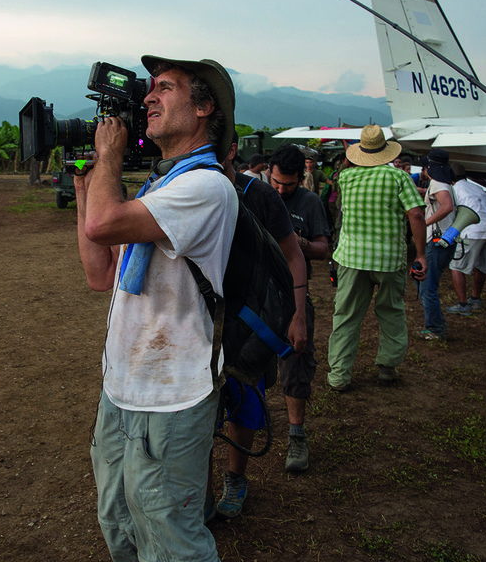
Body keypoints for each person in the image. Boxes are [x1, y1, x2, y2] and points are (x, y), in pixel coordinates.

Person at [74, 55, 237, 562]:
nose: (148, 98)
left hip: (171, 394)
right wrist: (86, 189)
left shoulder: (205, 187)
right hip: (123, 387)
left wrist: (108, 159)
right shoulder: (160, 187)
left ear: (204, 107)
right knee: (118, 520)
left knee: (171, 540)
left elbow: (104, 225)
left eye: (164, 88)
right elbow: (100, 273)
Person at [210, 136, 308, 520]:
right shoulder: (179, 188)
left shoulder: (260, 197)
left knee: (243, 399)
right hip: (198, 321)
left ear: (230, 149)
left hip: (248, 323)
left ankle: (235, 479)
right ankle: (198, 492)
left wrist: (298, 314)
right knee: (196, 410)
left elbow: (293, 255)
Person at [327, 125, 427, 390]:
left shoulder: (346, 178)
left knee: (346, 316)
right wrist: (421, 254)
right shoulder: (399, 178)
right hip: (389, 259)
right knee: (391, 311)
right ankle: (387, 367)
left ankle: (339, 375)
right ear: (386, 150)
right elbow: (416, 215)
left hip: (351, 257)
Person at [266, 143, 330, 473]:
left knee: (296, 361)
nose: (280, 189)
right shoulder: (259, 194)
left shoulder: (310, 202)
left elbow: (323, 248)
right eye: (275, 181)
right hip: (257, 292)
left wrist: (296, 241)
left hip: (294, 295)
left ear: (301, 178)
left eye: (287, 185)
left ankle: (296, 435)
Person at [445, 162, 486, 315]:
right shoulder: (477, 188)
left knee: (456, 266)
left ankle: (463, 304)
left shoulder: (454, 190)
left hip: (472, 230)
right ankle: (475, 298)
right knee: (482, 266)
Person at [418, 149, 456, 341]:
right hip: (444, 241)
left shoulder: (438, 183)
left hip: (436, 242)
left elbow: (447, 205)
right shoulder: (445, 183)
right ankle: (434, 325)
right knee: (425, 284)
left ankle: (436, 328)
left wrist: (426, 222)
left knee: (427, 287)